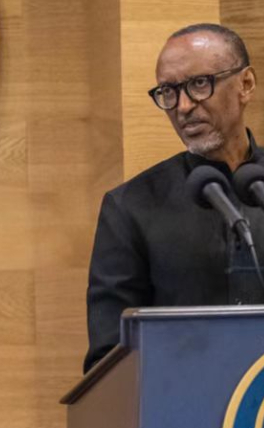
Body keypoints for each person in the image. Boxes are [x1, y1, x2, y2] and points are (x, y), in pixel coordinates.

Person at [85, 23, 263, 372]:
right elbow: (108, 362)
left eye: (199, 84)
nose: (182, 106)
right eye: (168, 91)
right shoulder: (132, 207)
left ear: (245, 84)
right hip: (185, 400)